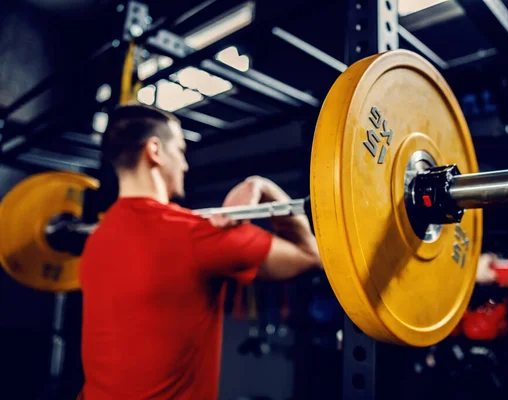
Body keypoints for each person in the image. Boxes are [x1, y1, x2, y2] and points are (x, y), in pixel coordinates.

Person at [77, 104, 323, 400]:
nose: (185, 164)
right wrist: (263, 187)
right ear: (154, 151)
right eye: (180, 151)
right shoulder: (194, 234)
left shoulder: (95, 241)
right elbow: (311, 255)